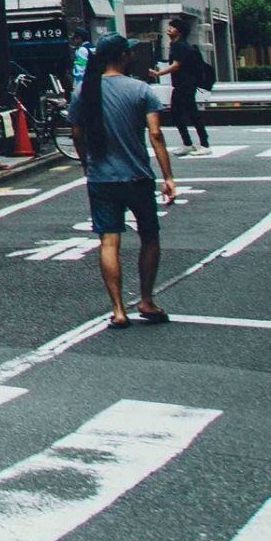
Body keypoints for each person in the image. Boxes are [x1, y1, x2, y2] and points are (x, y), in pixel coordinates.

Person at [69, 32, 176, 329]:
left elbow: (77, 133)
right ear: (123, 56)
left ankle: (118, 309)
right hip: (137, 175)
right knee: (149, 236)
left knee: (108, 241)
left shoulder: (84, 91)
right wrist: (168, 176)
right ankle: (146, 299)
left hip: (101, 177)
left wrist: (85, 162)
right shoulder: (141, 90)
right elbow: (155, 135)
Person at [151, 14, 210, 155]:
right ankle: (188, 143)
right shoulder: (177, 45)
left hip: (186, 85)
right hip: (181, 85)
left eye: (172, 27)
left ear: (179, 31)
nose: (169, 29)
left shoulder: (179, 46)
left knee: (191, 114)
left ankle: (204, 144)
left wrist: (159, 74)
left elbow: (176, 66)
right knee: (177, 115)